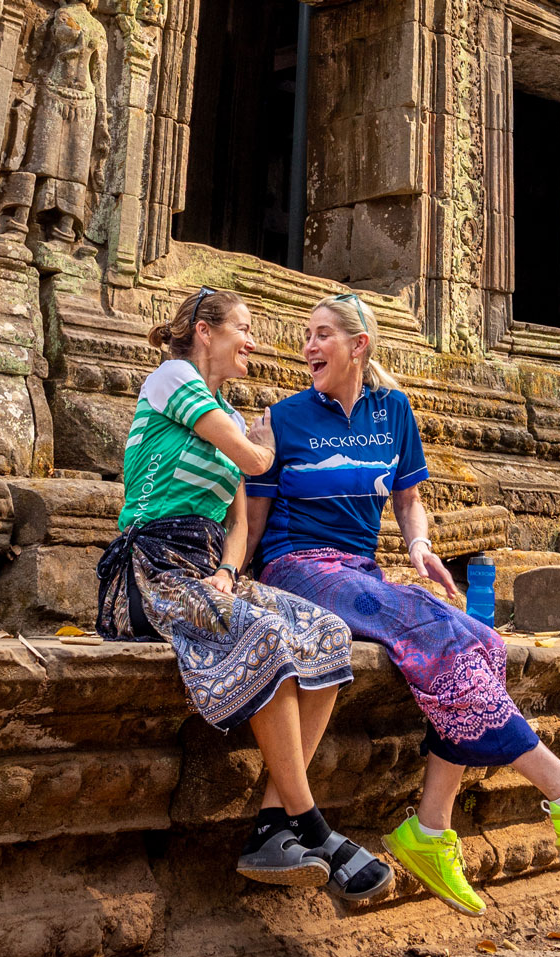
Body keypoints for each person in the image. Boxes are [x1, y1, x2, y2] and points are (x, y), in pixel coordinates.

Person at [245, 292, 560, 915]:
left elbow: (409, 497)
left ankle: (431, 829)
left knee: (481, 640)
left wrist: (418, 546)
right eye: (308, 335)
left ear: (359, 346)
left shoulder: (395, 412)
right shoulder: (285, 418)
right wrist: (232, 575)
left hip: (359, 568)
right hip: (295, 567)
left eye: (322, 335)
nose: (308, 346)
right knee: (428, 629)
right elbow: (251, 515)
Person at [96, 286, 392, 902]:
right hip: (151, 569)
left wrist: (229, 574)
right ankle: (312, 826)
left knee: (327, 632)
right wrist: (270, 441)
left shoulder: (228, 411)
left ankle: (270, 825)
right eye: (244, 328)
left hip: (206, 571)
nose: (253, 341)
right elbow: (256, 463)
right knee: (263, 637)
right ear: (206, 331)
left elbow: (237, 524)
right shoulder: (173, 378)